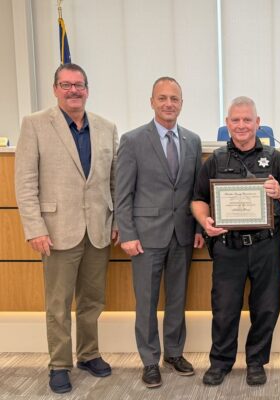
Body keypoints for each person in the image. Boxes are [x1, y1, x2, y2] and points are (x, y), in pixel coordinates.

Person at [15, 63, 118, 394]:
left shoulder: (106, 127)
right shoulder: (34, 125)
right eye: (66, 85)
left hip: (98, 229)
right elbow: (25, 181)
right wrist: (35, 227)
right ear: (55, 88)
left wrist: (115, 221)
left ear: (88, 89)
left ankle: (89, 354)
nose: (74, 90)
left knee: (93, 300)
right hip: (56, 230)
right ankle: (59, 364)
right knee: (58, 303)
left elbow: (113, 180)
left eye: (79, 85)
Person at [191, 96, 280, 387]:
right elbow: (198, 199)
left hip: (266, 245)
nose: (241, 125)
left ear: (257, 123)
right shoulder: (214, 161)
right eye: (235, 120)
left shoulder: (275, 158)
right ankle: (221, 362)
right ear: (227, 124)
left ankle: (256, 362)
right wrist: (205, 222)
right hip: (228, 247)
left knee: (266, 308)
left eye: (247, 120)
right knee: (224, 309)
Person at [115, 77, 204, 388]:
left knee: (177, 298)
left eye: (174, 99)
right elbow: (122, 193)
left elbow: (195, 191)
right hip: (145, 235)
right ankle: (150, 360)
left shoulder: (193, 141)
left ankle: (174, 353)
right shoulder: (132, 140)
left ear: (182, 103)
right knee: (147, 300)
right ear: (151, 101)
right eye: (162, 98)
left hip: (182, 234)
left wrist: (196, 228)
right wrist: (126, 232)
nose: (169, 104)